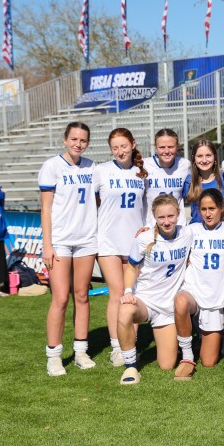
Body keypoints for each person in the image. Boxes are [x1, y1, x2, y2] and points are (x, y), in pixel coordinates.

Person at [38, 122, 98, 376]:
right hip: (61, 241)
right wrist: (47, 245)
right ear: (65, 140)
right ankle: (54, 355)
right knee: (60, 298)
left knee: (82, 296)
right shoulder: (52, 166)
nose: (78, 144)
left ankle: (81, 352)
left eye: (83, 140)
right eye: (74, 139)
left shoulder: (92, 167)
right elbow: (46, 208)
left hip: (86, 239)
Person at [117, 195, 192, 385]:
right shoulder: (144, 238)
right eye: (161, 217)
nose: (166, 222)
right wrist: (127, 291)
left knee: (167, 365)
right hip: (146, 301)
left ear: (178, 214)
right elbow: (131, 267)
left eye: (170, 216)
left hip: (168, 308)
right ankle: (130, 366)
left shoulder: (188, 233)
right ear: (154, 218)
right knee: (125, 310)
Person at [92, 128, 149, 367]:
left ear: (133, 144)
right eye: (115, 147)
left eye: (124, 146)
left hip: (133, 242)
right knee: (117, 293)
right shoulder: (101, 171)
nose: (120, 151)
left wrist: (146, 229)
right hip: (108, 241)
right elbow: (91, 202)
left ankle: (131, 343)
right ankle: (117, 346)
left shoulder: (142, 172)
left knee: (131, 295)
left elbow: (146, 206)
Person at [173, 188, 224, 379]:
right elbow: (167, 234)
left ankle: (204, 336)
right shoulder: (191, 230)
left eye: (212, 208)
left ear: (222, 208)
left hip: (215, 299)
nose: (208, 213)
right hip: (193, 291)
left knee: (209, 362)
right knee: (180, 302)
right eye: (203, 209)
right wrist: (149, 230)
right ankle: (186, 355)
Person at [143, 128, 191, 226]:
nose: (166, 151)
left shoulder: (185, 165)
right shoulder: (144, 165)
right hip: (151, 226)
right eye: (162, 147)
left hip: (178, 226)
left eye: (170, 147)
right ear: (155, 148)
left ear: (177, 146)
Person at [182, 139, 224, 225]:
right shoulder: (188, 181)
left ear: (215, 157)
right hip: (197, 233)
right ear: (193, 159)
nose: (204, 160)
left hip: (222, 232)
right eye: (199, 156)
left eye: (208, 155)